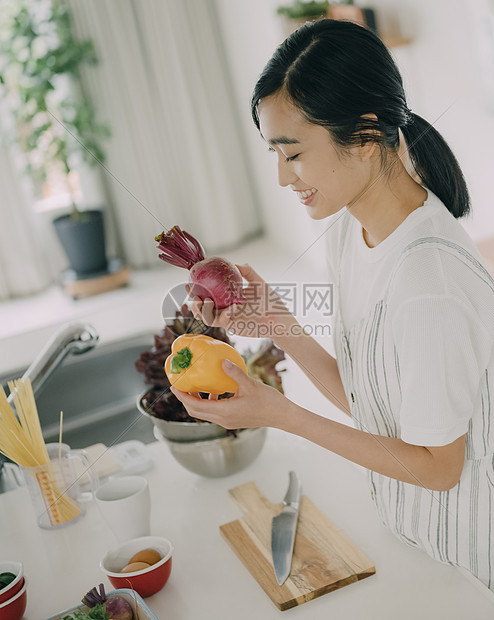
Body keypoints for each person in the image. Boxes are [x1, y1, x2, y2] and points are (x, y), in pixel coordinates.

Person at [171, 19, 494, 592]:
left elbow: (438, 469)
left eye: (292, 153)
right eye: (273, 153)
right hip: (415, 539)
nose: (280, 176)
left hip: (471, 562)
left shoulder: (429, 283)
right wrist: (275, 321)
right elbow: (374, 406)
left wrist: (279, 413)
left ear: (366, 133)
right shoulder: (350, 230)